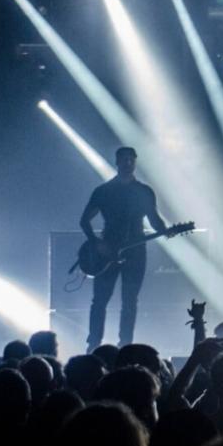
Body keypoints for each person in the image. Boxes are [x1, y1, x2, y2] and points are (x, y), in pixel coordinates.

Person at [80, 147, 175, 351]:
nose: (128, 163)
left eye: (131, 159)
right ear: (117, 162)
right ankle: (94, 343)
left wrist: (167, 230)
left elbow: (155, 220)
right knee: (100, 299)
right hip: (106, 252)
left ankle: (125, 345)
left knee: (130, 300)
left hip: (136, 252)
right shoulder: (104, 191)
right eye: (124, 160)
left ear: (135, 162)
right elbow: (84, 221)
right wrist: (97, 243)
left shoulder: (144, 191)